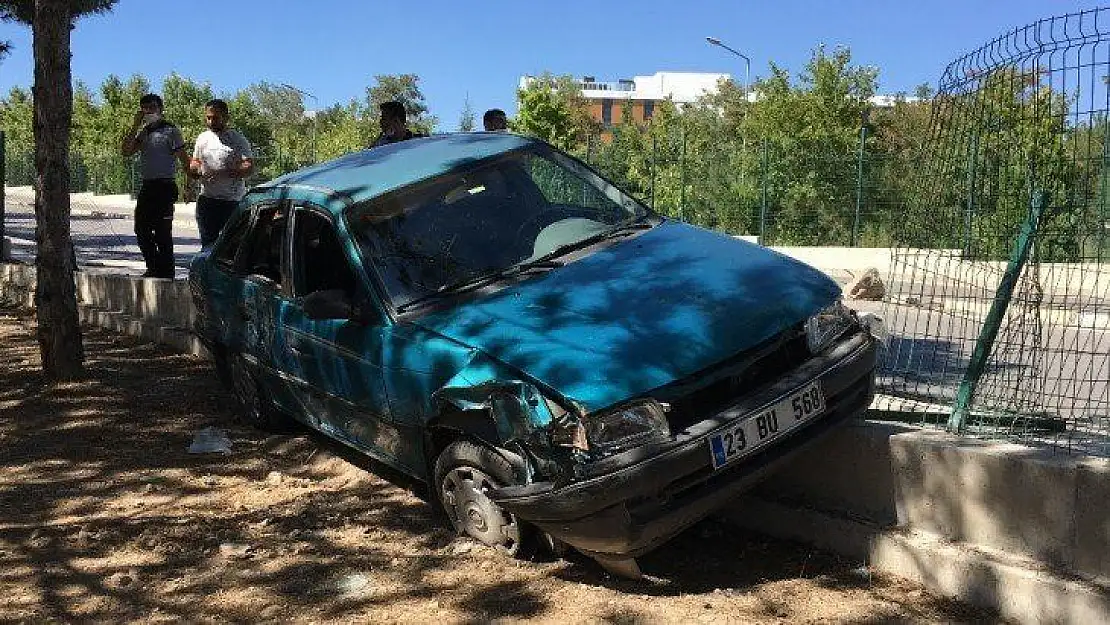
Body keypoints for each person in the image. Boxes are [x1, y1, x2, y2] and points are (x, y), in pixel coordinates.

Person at [120, 93, 191, 278]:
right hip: (148, 186)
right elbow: (126, 151)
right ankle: (153, 267)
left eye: (152, 107)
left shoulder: (171, 130)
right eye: (145, 108)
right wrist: (135, 125)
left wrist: (188, 185)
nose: (148, 111)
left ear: (160, 109)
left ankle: (167, 274)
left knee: (162, 232)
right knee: (141, 229)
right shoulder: (144, 132)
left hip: (165, 187)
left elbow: (184, 160)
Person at [189, 99, 254, 247]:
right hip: (207, 201)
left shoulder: (238, 139)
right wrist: (193, 170)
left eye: (215, 118)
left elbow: (249, 167)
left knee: (230, 247)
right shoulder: (202, 138)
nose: (211, 121)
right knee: (207, 246)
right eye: (208, 117)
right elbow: (196, 161)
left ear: (226, 117)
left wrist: (226, 171)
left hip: (231, 203)